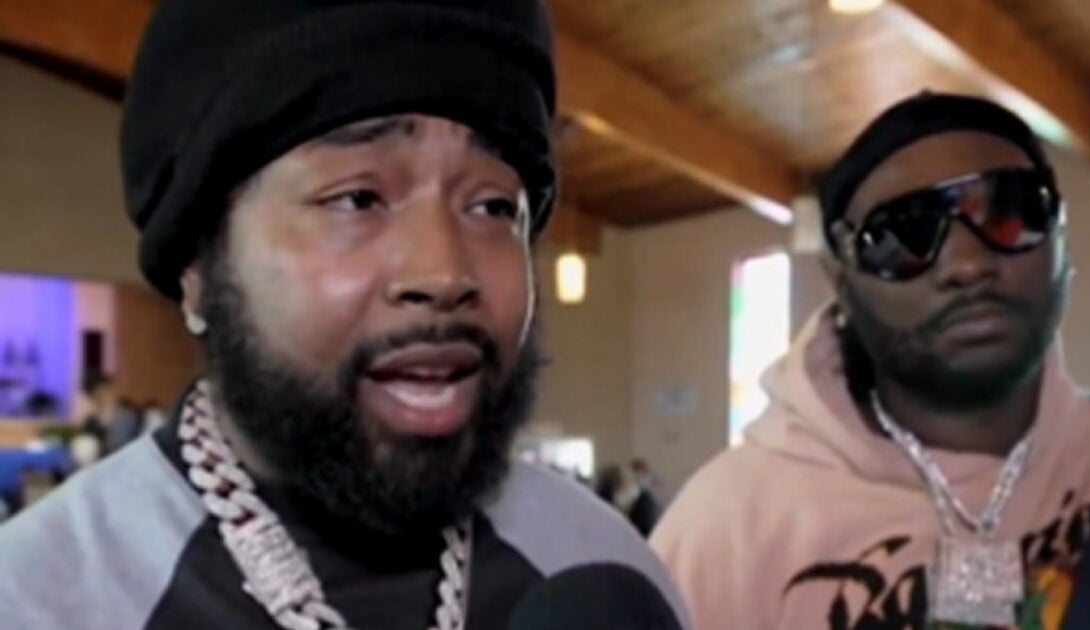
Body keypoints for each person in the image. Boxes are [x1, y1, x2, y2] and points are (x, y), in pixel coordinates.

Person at [0, 2, 688, 629]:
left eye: (493, 207)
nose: (444, 273)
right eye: (357, 199)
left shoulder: (602, 570)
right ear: (198, 270)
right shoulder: (41, 598)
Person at [652, 93, 1090, 629]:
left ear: (1060, 238)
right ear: (841, 279)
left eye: (1010, 212)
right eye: (903, 236)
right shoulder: (730, 524)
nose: (968, 264)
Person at [596, 464, 660, 538]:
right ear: (616, 493)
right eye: (629, 483)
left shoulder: (642, 507)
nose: (636, 488)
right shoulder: (610, 527)